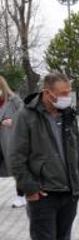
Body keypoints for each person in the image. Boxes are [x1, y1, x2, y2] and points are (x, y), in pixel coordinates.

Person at [10, 72, 79, 240]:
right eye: (63, 94)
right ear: (47, 93)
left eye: (68, 93)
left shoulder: (68, 116)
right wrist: (29, 188)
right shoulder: (27, 116)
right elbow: (16, 156)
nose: (67, 98)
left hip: (69, 190)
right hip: (42, 193)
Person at [0, 75, 26, 208]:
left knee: (16, 168)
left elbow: (24, 113)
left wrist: (12, 120)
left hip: (9, 139)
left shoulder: (13, 99)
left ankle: (21, 196)